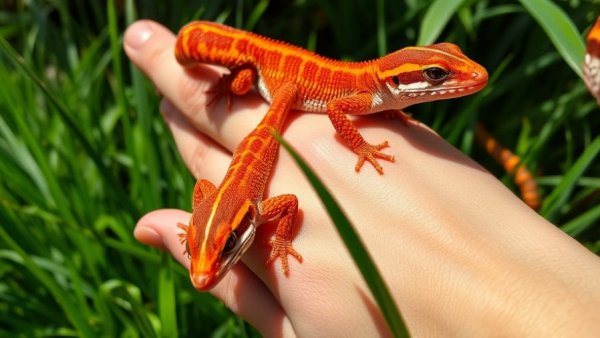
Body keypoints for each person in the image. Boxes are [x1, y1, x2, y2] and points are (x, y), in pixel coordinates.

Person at [124, 20, 600, 337]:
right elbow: (334, 109)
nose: (464, 77)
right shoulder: (360, 93)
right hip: (267, 83)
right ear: (397, 82)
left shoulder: (379, 91)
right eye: (436, 75)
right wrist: (361, 147)